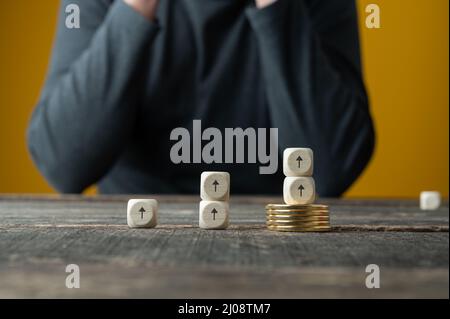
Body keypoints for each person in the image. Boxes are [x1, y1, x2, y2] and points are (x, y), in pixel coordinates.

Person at [27, 0, 375, 196]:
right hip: (134, 248)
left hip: (279, 242)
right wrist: (134, 8)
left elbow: (332, 171)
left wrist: (276, 8)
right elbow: (63, 165)